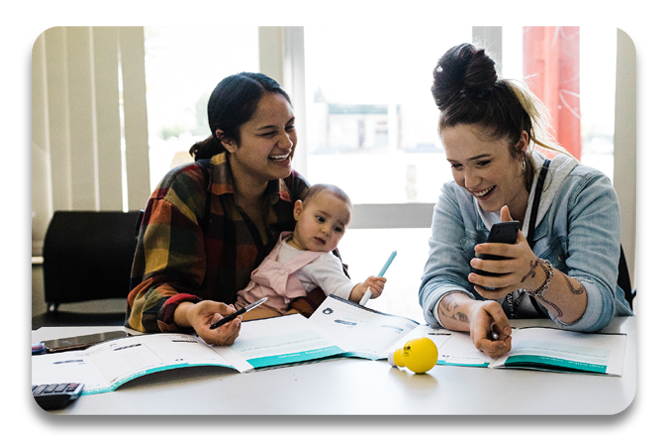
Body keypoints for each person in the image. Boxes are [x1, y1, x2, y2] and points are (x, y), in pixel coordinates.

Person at [419, 43, 633, 359]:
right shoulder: (455, 198)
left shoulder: (585, 191)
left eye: (482, 163)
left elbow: (600, 307)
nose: (469, 181)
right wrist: (473, 311)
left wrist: (535, 276)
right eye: (456, 165)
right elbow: (435, 287)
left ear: (520, 143)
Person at [126, 72, 314, 346]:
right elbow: (148, 296)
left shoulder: (296, 190)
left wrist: (280, 319)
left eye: (290, 126)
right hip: (197, 351)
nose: (286, 142)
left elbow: (329, 276)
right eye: (269, 132)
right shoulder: (187, 187)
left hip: (276, 345)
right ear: (227, 140)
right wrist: (191, 313)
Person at [235, 184, 386, 318]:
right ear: (298, 211)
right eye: (320, 219)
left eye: (337, 229)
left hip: (270, 316)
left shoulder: (322, 260)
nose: (327, 230)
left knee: (228, 323)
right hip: (242, 304)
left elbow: (339, 289)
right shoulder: (283, 240)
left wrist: (361, 289)